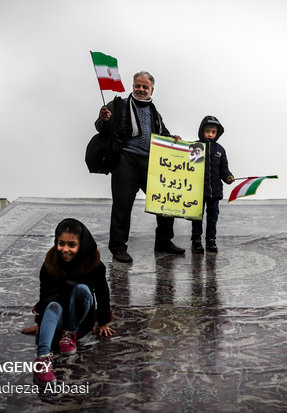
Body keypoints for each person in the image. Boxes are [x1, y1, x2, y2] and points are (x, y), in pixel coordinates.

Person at [96, 71, 186, 263]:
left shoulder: (154, 111)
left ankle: (164, 241)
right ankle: (118, 247)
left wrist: (173, 138)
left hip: (151, 163)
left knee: (166, 200)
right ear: (133, 86)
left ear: (152, 89)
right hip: (125, 162)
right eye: (138, 85)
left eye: (145, 87)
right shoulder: (118, 105)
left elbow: (163, 133)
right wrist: (105, 119)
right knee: (122, 206)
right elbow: (100, 126)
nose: (141, 89)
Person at [32, 218, 115, 384]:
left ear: (82, 244)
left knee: (82, 289)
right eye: (61, 243)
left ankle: (70, 334)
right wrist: (42, 323)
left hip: (81, 319)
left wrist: (104, 321)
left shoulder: (95, 265)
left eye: (72, 245)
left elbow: (102, 293)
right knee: (53, 304)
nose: (65, 249)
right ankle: (42, 360)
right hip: (57, 315)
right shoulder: (50, 263)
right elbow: (44, 296)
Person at [191, 116, 234, 254]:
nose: (210, 134)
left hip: (214, 191)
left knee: (213, 216)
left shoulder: (220, 150)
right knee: (197, 216)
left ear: (217, 133)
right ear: (202, 131)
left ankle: (211, 240)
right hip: (197, 190)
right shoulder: (196, 147)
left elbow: (224, 169)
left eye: (213, 132)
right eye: (208, 131)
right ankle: (196, 240)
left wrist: (228, 177)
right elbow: (188, 167)